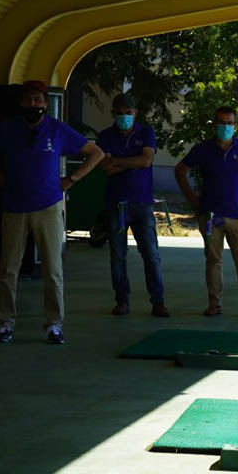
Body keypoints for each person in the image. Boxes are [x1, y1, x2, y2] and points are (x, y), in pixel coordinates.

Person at [0, 80, 104, 344]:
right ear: (21, 103)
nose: (34, 104)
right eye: (29, 99)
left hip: (49, 206)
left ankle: (54, 324)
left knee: (53, 269)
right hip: (14, 207)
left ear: (45, 103)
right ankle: (5, 323)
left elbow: (96, 153)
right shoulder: (9, 128)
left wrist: (72, 180)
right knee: (8, 269)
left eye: (38, 100)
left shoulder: (57, 130)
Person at [175, 106, 238, 318]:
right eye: (222, 122)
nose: (226, 127)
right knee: (213, 259)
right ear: (214, 124)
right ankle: (214, 304)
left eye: (230, 123)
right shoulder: (203, 149)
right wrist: (193, 200)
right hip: (209, 215)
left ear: (235, 125)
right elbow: (180, 171)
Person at [97, 92, 169, 317]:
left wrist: (117, 161)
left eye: (128, 112)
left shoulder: (146, 132)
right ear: (113, 113)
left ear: (135, 113)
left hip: (142, 203)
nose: (124, 116)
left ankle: (158, 301)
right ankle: (122, 301)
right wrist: (133, 162)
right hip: (116, 204)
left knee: (150, 254)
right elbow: (105, 168)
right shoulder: (105, 136)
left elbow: (146, 160)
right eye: (119, 113)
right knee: (117, 255)